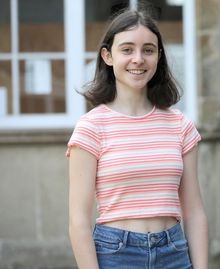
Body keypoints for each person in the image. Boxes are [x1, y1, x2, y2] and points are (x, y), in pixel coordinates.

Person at [66, 9, 208, 269]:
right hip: (115, 255)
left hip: (174, 253)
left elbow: (195, 212)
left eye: (148, 50)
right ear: (108, 56)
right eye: (127, 49)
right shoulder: (91, 127)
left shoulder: (180, 125)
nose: (138, 59)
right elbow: (78, 221)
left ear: (159, 56)